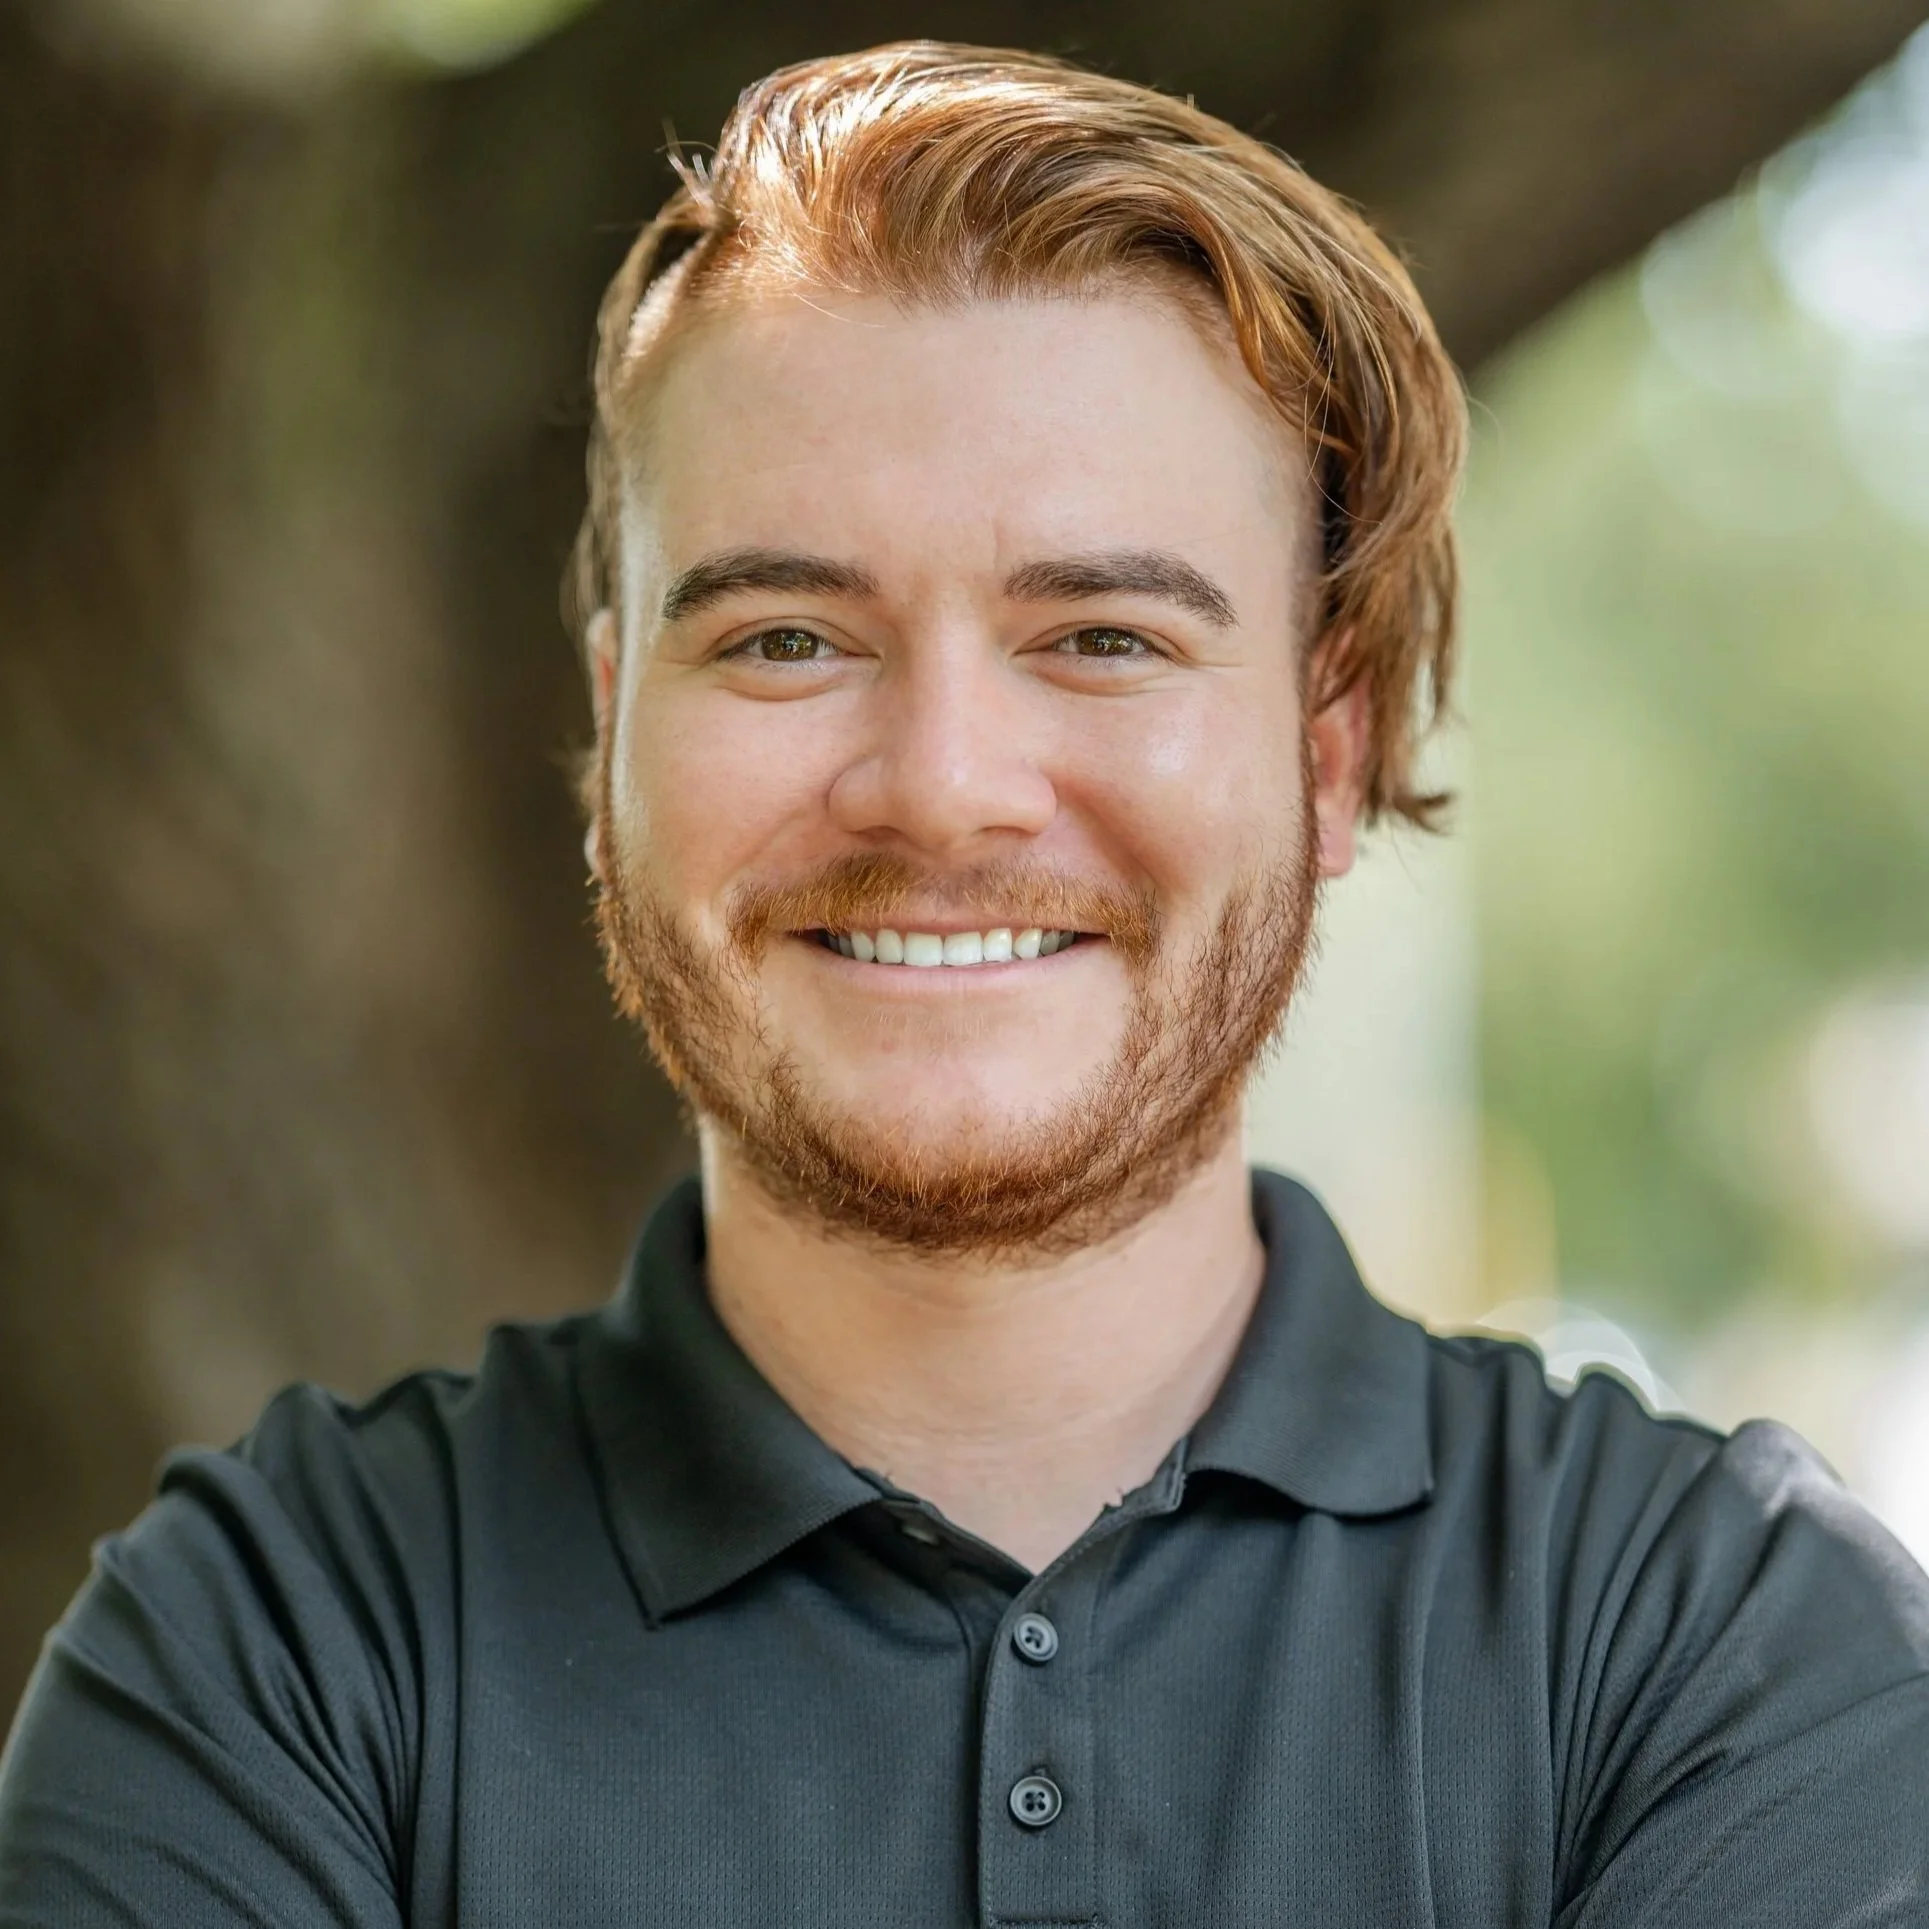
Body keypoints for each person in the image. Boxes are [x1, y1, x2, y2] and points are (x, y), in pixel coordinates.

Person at [2, 39, 1925, 1928]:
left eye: (1098, 634)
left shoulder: (1716, 1650)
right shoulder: (268, 1656)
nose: (938, 786)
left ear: (1328, 752)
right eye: (783, 639)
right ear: (612, 740)